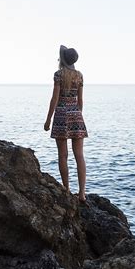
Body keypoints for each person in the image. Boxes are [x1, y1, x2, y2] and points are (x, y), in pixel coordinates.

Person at [44, 45, 88, 203]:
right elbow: (80, 100)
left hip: (62, 115)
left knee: (63, 155)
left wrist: (48, 119)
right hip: (76, 115)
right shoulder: (79, 76)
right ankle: (82, 194)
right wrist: (78, 115)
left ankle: (67, 190)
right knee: (79, 156)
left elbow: (54, 99)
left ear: (62, 59)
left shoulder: (58, 75)